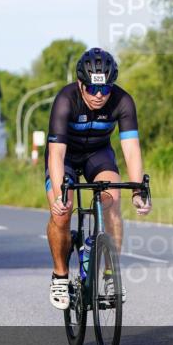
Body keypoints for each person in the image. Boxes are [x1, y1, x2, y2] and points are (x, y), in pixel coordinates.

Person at [45, 48, 152, 309]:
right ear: (80, 84)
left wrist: (138, 191)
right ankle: (60, 275)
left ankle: (110, 274)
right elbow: (56, 154)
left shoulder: (123, 101)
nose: (99, 95)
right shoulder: (66, 99)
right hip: (66, 157)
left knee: (112, 200)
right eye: (93, 89)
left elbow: (131, 150)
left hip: (98, 155)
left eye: (105, 89)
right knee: (62, 212)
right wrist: (59, 195)